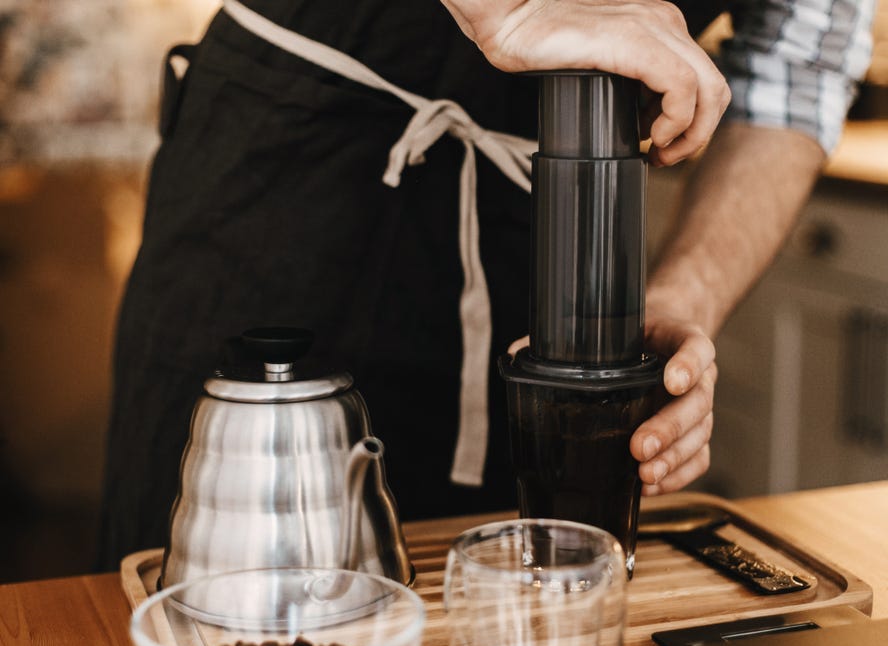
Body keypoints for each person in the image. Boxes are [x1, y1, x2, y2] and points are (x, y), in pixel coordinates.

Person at [96, 0, 874, 569]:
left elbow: (794, 65)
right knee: (207, 565)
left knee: (497, 593)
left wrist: (677, 304)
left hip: (532, 245)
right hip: (285, 167)